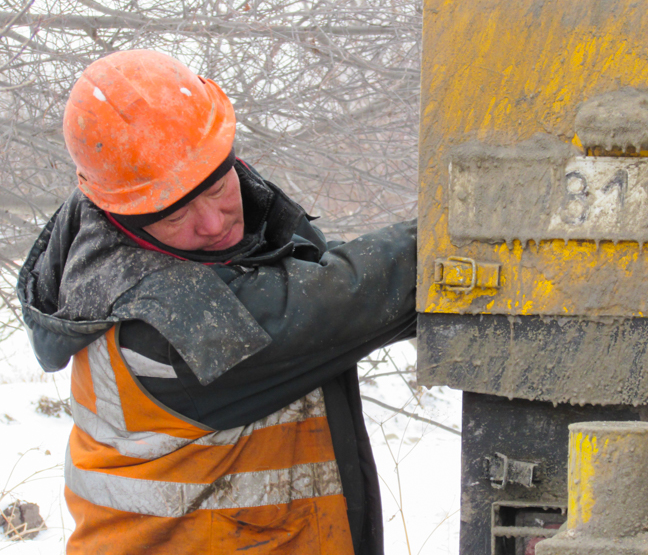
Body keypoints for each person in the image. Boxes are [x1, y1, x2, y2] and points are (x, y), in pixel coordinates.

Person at [16, 50, 417, 554]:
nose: (213, 223)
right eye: (173, 215)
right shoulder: (164, 324)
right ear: (124, 215)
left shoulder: (112, 238)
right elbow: (359, 296)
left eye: (216, 186)